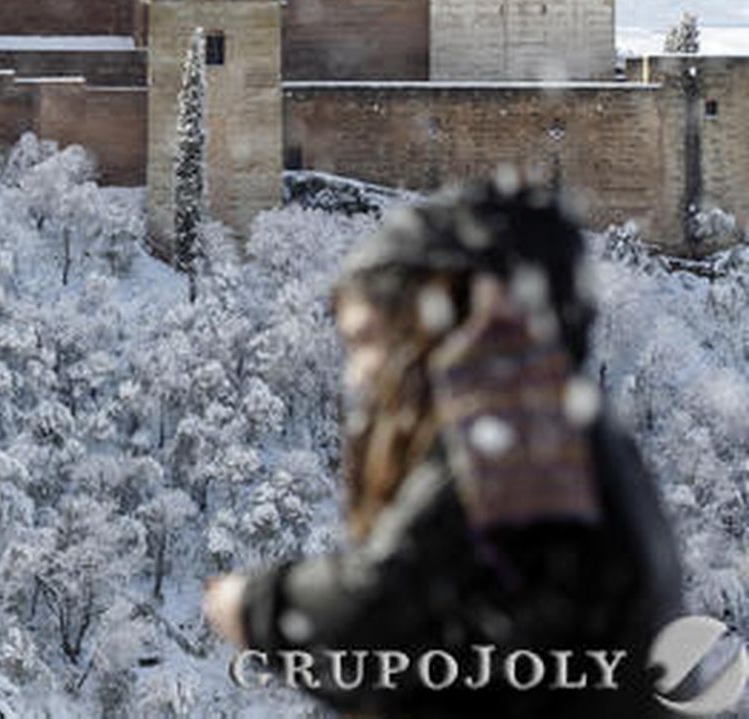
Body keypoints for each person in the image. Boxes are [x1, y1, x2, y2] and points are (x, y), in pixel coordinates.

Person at [203, 175, 683, 716]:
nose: (359, 375)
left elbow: (378, 618)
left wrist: (255, 607)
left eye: (367, 340)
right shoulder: (563, 427)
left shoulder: (519, 433)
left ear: (439, 315)